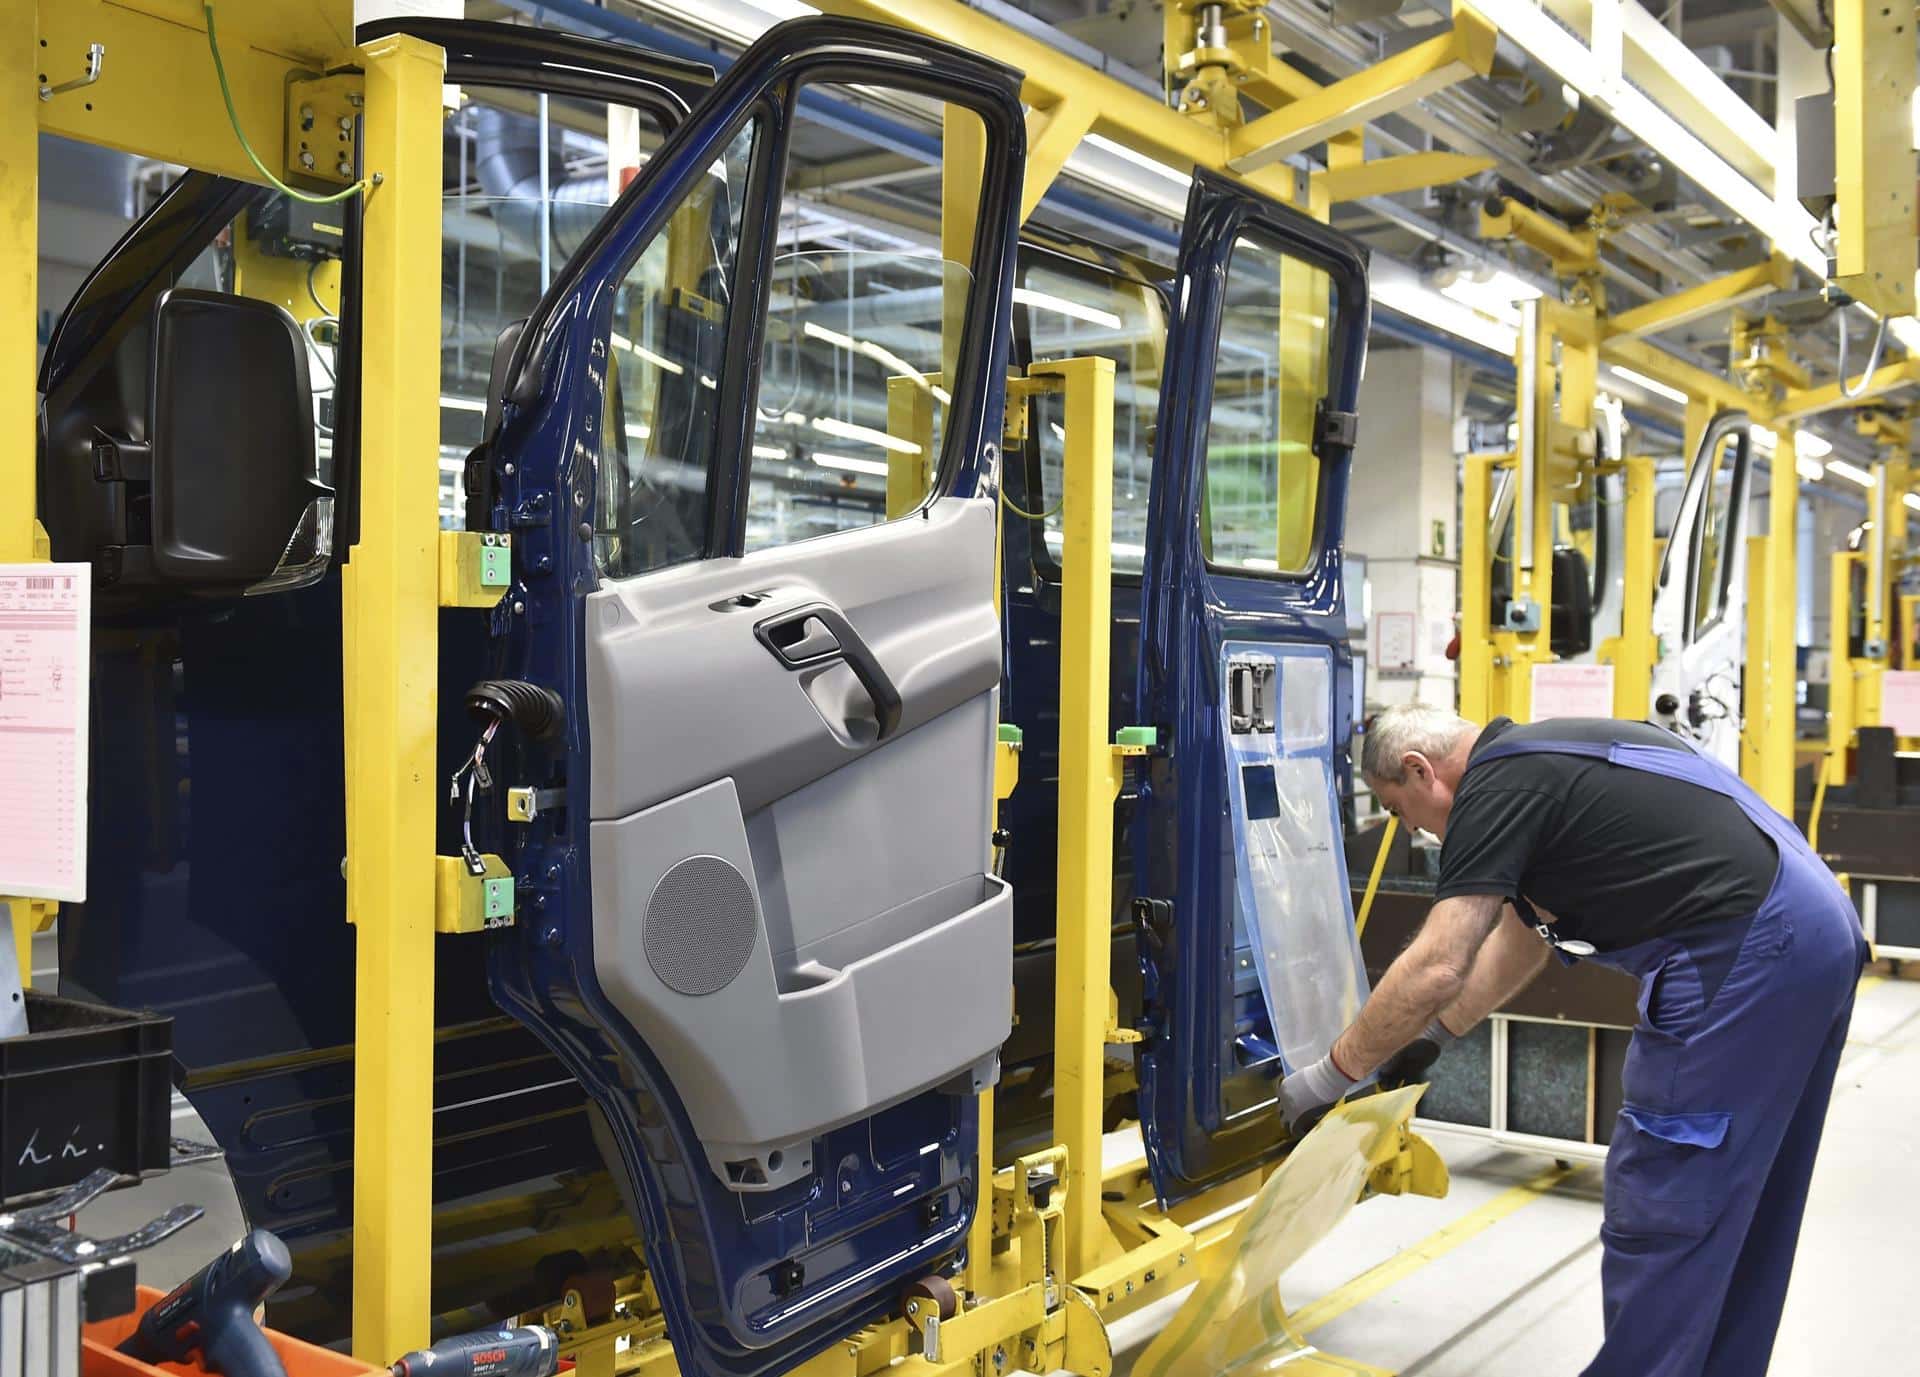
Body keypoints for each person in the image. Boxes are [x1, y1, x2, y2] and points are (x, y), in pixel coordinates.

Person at [1280, 705, 1867, 1377]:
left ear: (1420, 769)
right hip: (1812, 929)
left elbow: (1441, 960)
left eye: (1398, 807)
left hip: (1749, 949)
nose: (1409, 827)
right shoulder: (1546, 758)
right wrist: (1438, 1033)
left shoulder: (1494, 786)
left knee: (1666, 1197)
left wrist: (1328, 1077)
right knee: (1742, 1207)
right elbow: (1521, 935)